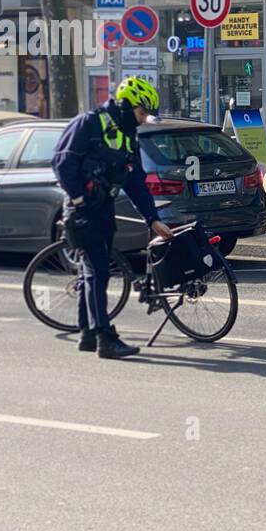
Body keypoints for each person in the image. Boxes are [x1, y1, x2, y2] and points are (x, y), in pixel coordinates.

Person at [52, 78, 173, 359]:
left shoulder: (128, 135)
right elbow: (62, 163)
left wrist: (152, 219)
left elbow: (135, 182)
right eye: (142, 113)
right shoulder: (89, 124)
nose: (143, 120)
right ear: (126, 105)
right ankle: (105, 339)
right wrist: (80, 198)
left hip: (103, 209)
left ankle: (87, 335)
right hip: (82, 212)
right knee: (97, 272)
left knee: (89, 273)